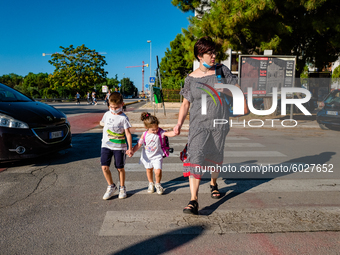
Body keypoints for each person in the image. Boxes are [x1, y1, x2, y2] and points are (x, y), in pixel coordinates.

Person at [174, 36, 239, 215]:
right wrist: (178, 124)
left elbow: (237, 90)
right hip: (198, 125)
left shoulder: (221, 70)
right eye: (209, 53)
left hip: (219, 123)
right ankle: (193, 200)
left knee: (215, 155)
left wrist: (224, 89)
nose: (214, 56)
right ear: (199, 56)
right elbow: (186, 103)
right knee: (195, 157)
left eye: (214, 52)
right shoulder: (191, 78)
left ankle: (213, 183)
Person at [131, 112, 176, 195]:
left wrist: (175, 132)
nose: (155, 130)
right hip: (147, 156)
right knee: (149, 170)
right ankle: (151, 183)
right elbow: (138, 145)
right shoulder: (144, 135)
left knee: (158, 171)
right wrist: (132, 151)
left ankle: (158, 184)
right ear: (146, 127)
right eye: (153, 130)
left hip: (157, 155)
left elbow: (168, 133)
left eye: (156, 128)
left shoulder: (160, 132)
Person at [100, 92, 133, 200]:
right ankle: (111, 186)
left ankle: (122, 187)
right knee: (104, 167)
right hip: (106, 145)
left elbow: (128, 133)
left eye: (116, 107)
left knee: (120, 168)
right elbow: (103, 124)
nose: (113, 109)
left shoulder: (124, 118)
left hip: (119, 147)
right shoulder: (106, 114)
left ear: (122, 104)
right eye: (111, 107)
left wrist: (130, 148)